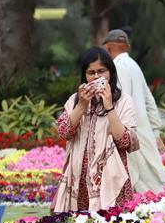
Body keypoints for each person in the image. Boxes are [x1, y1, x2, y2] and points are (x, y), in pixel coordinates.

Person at [52, 47, 139, 213]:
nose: (97, 77)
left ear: (111, 73)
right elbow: (64, 132)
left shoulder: (124, 101)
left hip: (111, 181)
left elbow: (124, 142)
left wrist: (109, 106)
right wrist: (82, 105)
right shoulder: (75, 101)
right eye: (91, 72)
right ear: (85, 76)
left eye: (101, 71)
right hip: (78, 182)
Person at [102, 29, 165, 194]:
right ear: (127, 47)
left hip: (129, 135)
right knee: (148, 183)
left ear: (108, 48)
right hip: (142, 133)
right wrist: (156, 132)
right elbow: (149, 101)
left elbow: (119, 104)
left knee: (139, 185)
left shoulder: (118, 67)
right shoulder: (134, 65)